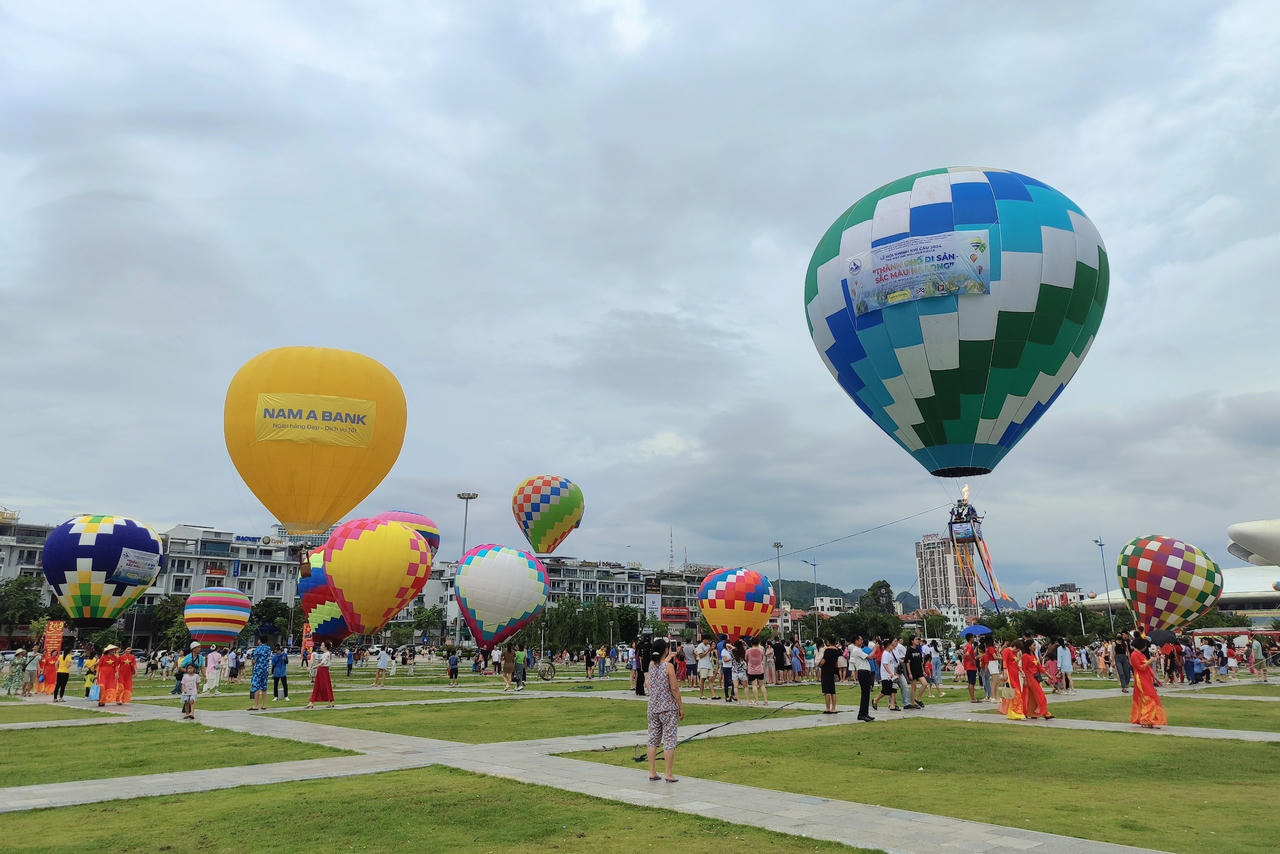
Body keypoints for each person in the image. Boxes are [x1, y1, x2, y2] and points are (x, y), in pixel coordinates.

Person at [645, 638, 683, 783]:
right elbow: (674, 688)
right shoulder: (669, 667)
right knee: (669, 740)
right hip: (668, 708)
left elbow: (659, 663)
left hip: (653, 707)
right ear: (665, 650)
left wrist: (669, 656)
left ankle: (652, 771)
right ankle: (668, 773)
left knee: (653, 740)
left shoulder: (651, 665)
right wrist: (680, 706)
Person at [1129, 636, 1167, 728]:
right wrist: (1149, 661)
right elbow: (1140, 667)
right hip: (1141, 680)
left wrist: (1155, 678)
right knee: (1148, 698)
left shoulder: (1141, 654)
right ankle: (1146, 720)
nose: (1146, 647)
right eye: (1144, 645)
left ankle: (1150, 720)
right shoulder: (1134, 655)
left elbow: (1147, 668)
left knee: (1152, 698)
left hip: (1146, 678)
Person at [1021, 641, 1053, 720]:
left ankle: (1032, 713)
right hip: (1030, 679)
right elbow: (1024, 669)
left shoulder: (1033, 655)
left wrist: (1048, 675)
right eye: (1034, 645)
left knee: (1032, 698)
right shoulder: (1025, 656)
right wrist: (1025, 680)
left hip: (1035, 678)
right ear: (1029, 646)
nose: (1035, 647)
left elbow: (1039, 667)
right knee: (1040, 695)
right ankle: (1045, 713)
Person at [849, 635, 874, 721]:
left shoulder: (859, 650)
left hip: (865, 672)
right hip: (863, 672)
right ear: (856, 641)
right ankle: (862, 714)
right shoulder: (856, 650)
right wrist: (875, 649)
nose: (862, 641)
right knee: (865, 694)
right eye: (860, 639)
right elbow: (870, 657)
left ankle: (864, 713)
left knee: (866, 694)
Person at [999, 641, 1026, 721]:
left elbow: (1015, 664)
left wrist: (1021, 670)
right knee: (1015, 693)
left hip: (1015, 675)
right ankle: (1017, 712)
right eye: (1018, 650)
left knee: (1017, 693)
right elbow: (1004, 662)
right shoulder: (1006, 651)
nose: (1018, 652)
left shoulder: (1014, 653)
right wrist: (1005, 673)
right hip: (1010, 675)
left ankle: (1013, 713)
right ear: (1015, 647)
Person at [873, 638, 901, 712]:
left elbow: (891, 665)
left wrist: (894, 673)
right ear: (888, 646)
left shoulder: (889, 654)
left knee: (893, 690)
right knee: (886, 691)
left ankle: (892, 705)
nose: (893, 647)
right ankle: (875, 700)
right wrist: (890, 673)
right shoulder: (885, 654)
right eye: (892, 645)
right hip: (886, 676)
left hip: (891, 675)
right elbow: (885, 665)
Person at [306, 642, 335, 709]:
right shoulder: (324, 654)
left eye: (322, 645)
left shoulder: (327, 654)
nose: (321, 646)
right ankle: (311, 702)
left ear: (325, 647)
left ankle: (331, 701)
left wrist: (312, 668)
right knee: (317, 686)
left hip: (324, 671)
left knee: (326, 686)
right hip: (320, 671)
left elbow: (322, 663)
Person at [248, 636, 272, 711]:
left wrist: (252, 663)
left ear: (260, 641)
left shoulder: (258, 649)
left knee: (256, 686)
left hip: (258, 669)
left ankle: (255, 705)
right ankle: (264, 704)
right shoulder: (268, 648)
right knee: (264, 686)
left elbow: (254, 660)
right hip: (265, 669)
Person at [818, 637, 840, 714]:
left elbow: (823, 661)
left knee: (826, 691)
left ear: (829, 642)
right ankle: (834, 708)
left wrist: (819, 664)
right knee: (833, 691)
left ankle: (828, 708)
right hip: (832, 670)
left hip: (825, 671)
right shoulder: (837, 651)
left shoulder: (827, 650)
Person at [904, 636, 926, 709]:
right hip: (912, 671)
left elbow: (921, 662)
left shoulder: (918, 650)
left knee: (925, 684)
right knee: (914, 687)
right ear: (912, 641)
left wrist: (923, 671)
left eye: (919, 639)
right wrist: (909, 673)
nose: (918, 641)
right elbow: (907, 662)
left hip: (919, 671)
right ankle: (912, 703)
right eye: (916, 639)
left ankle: (918, 699)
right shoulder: (909, 650)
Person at [745, 637, 768, 706]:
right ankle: (765, 700)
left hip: (751, 670)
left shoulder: (748, 651)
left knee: (754, 685)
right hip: (760, 669)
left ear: (751, 643)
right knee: (762, 685)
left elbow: (746, 659)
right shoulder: (761, 650)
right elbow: (761, 659)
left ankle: (756, 701)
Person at [695, 634, 714, 699]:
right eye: (708, 640)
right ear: (704, 640)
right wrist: (708, 650)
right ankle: (701, 695)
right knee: (702, 679)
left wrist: (710, 651)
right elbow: (700, 656)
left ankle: (713, 695)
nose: (709, 642)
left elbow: (708, 655)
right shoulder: (700, 646)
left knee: (711, 679)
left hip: (708, 664)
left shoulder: (708, 645)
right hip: (703, 665)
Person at [961, 634, 979, 703]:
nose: (974, 639)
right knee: (972, 683)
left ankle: (972, 697)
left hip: (967, 666)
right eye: (973, 637)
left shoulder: (966, 646)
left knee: (969, 683)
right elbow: (968, 654)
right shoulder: (969, 646)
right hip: (971, 666)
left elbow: (965, 654)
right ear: (970, 638)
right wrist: (972, 660)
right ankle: (973, 698)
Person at [730, 640, 748, 704]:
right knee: (745, 686)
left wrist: (734, 647)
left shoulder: (732, 651)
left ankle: (738, 701)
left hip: (734, 671)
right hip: (742, 671)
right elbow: (747, 646)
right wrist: (743, 642)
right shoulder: (743, 651)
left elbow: (727, 645)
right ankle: (748, 700)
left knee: (735, 687)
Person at [719, 638, 736, 702]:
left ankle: (733, 694)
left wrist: (731, 646)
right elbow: (725, 660)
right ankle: (727, 696)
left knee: (734, 681)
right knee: (726, 682)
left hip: (732, 667)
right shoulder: (724, 651)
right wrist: (732, 659)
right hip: (726, 667)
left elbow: (735, 649)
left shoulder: (731, 650)